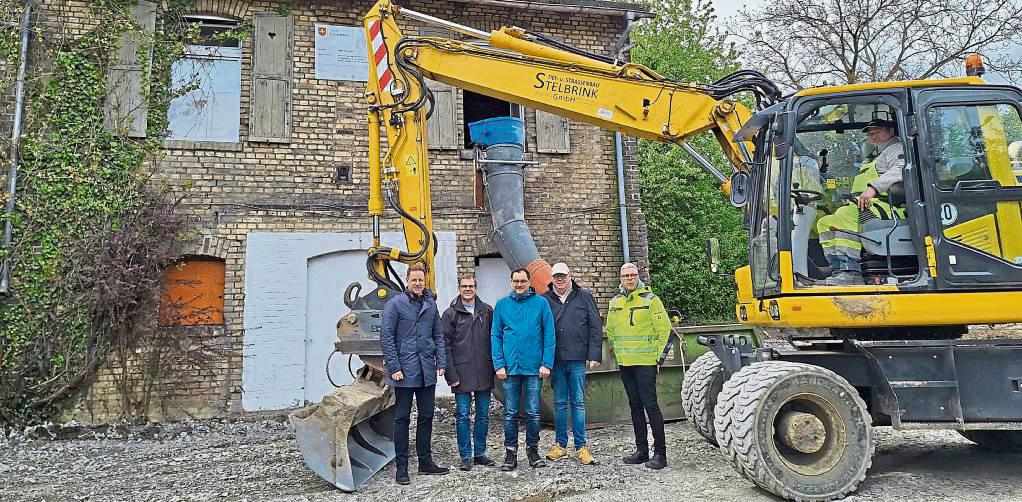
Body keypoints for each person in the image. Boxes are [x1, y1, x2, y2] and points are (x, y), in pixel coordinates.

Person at [379, 264, 450, 485]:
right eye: (414, 280)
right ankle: (402, 468)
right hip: (405, 370)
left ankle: (425, 462)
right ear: (407, 281)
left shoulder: (430, 305)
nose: (418, 283)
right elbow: (387, 337)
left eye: (421, 280)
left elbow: (438, 335)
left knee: (427, 415)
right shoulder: (395, 305)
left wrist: (441, 361)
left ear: (425, 281)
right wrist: (395, 367)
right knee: (401, 418)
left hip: (426, 369)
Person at [816, 118, 905, 285]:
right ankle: (838, 269)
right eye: (870, 134)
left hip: (889, 206)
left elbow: (900, 170)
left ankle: (851, 271)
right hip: (869, 205)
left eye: (877, 131)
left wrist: (873, 188)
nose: (873, 136)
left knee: (845, 214)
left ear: (891, 131)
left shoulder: (896, 148)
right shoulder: (876, 155)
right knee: (825, 222)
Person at [605, 263, 671, 470]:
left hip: (645, 363)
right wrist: (619, 354)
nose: (630, 278)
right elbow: (611, 331)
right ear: (621, 278)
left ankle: (660, 454)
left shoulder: (651, 300)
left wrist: (658, 359)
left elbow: (665, 331)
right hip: (626, 363)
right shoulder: (615, 302)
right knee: (635, 407)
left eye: (633, 275)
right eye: (626, 275)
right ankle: (642, 451)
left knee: (651, 407)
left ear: (638, 277)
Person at [491, 267, 556, 471]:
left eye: (523, 281)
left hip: (533, 368)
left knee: (533, 412)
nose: (519, 284)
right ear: (511, 282)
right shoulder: (502, 305)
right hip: (510, 369)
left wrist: (546, 363)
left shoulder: (541, 304)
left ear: (529, 282)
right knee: (510, 412)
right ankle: (510, 454)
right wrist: (499, 364)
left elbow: (549, 335)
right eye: (516, 281)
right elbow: (496, 336)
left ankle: (533, 451)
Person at [541, 263, 602, 465]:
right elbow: (539, 330)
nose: (559, 279)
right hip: (556, 360)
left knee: (577, 402)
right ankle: (560, 445)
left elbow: (595, 326)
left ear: (570, 276)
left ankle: (581, 447)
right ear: (552, 278)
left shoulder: (584, 297)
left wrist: (594, 354)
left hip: (577, 359)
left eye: (563, 276)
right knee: (559, 404)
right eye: (556, 276)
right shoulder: (544, 299)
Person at [441, 274, 497, 471]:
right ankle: (466, 456)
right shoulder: (450, 314)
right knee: (463, 415)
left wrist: (496, 366)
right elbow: (444, 346)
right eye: (464, 286)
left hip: (484, 370)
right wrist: (451, 374)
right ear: (459, 288)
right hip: (461, 372)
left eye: (471, 286)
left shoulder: (486, 311)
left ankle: (480, 453)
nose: (467, 289)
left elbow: (495, 339)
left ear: (476, 288)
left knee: (483, 414)